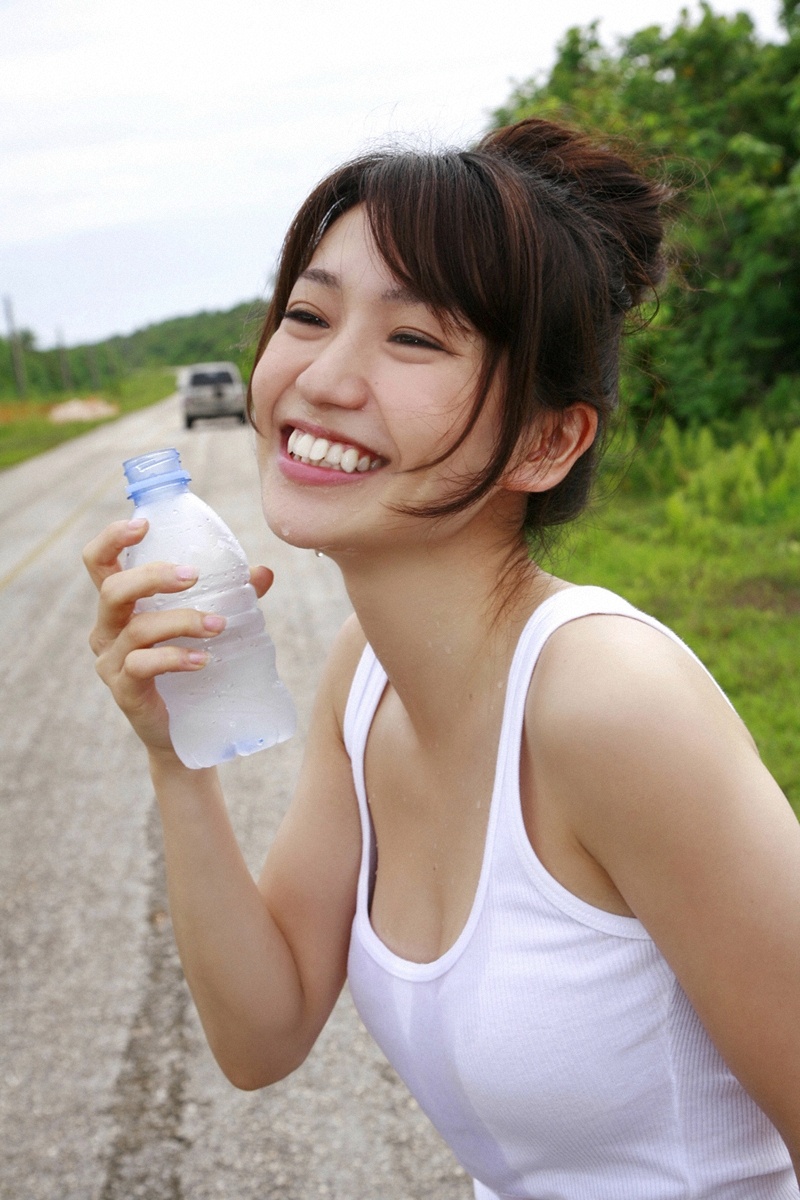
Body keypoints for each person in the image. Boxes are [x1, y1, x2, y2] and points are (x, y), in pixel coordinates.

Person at [83, 117, 800, 1199]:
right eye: (307, 314)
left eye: (412, 340)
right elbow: (261, 1033)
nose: (321, 377)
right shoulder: (361, 680)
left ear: (545, 441)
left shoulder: (610, 705)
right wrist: (174, 755)